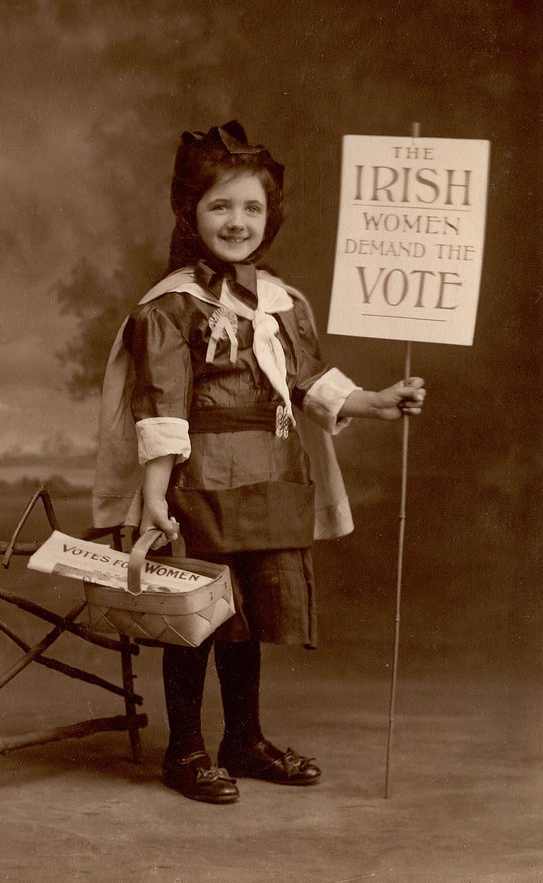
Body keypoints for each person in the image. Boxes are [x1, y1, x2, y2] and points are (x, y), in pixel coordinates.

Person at [93, 121, 425, 805]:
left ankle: (241, 739)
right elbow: (159, 403)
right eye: (220, 206)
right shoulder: (171, 307)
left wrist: (376, 402)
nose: (236, 221)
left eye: (250, 207)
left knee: (245, 618)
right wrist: (155, 492)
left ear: (270, 216)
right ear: (190, 212)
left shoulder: (279, 302)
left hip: (270, 475)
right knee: (197, 615)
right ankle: (183, 750)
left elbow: (309, 380)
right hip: (201, 478)